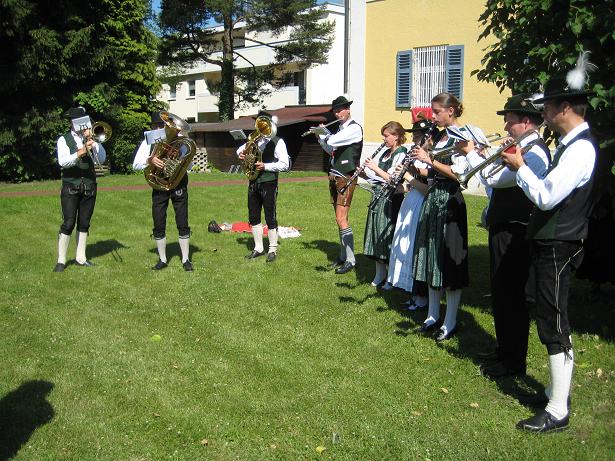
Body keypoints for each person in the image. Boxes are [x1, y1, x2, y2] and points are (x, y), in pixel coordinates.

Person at [501, 54, 597, 433]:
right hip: (549, 243)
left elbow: (546, 198)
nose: (545, 115)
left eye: (549, 108)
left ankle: (558, 409)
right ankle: (557, 392)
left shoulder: (580, 149)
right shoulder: (568, 145)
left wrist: (520, 168)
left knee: (553, 323)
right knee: (543, 312)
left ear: (566, 108)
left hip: (559, 244)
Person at [457, 94, 551, 378]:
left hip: (515, 230)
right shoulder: (519, 147)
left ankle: (513, 361)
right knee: (501, 292)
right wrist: (487, 157)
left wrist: (474, 154)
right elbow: (492, 180)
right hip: (503, 227)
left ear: (525, 121)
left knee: (511, 295)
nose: (506, 126)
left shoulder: (534, 153)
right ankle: (504, 351)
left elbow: (496, 180)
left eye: (509, 121)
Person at [410, 93, 471, 341]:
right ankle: (432, 315)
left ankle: (451, 320)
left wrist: (430, 160)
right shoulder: (438, 135)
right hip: (433, 198)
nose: (433, 116)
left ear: (451, 111)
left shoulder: (463, 136)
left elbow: (460, 175)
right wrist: (420, 162)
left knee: (450, 261)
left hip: (450, 201)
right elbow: (430, 171)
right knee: (431, 257)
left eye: (437, 112)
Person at [132, 112, 194, 271]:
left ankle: (186, 259)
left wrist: (179, 156)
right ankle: (162, 259)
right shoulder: (148, 142)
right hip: (159, 185)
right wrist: (150, 160)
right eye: (157, 126)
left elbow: (190, 166)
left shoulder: (181, 142)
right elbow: (136, 165)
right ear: (152, 128)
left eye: (163, 126)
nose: (161, 128)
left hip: (178, 184)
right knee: (158, 221)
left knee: (182, 220)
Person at [384, 118, 432, 308]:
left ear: (429, 138)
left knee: (414, 245)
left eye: (419, 137)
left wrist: (408, 176)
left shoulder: (432, 159)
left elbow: (426, 188)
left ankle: (421, 297)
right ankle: (412, 291)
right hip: (411, 201)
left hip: (421, 202)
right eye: (414, 136)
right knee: (404, 244)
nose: (415, 140)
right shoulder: (417, 156)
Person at [54, 106, 106, 272]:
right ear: (72, 123)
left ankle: (81, 258)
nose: (83, 125)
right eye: (79, 122)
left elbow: (102, 158)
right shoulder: (64, 139)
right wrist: (81, 152)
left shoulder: (91, 138)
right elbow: (63, 162)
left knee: (84, 222)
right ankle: (61, 260)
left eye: (84, 122)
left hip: (89, 186)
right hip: (71, 185)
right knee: (69, 222)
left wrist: (94, 143)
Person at [316, 95, 363, 274]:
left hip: (347, 175)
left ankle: (351, 259)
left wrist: (324, 134)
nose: (337, 113)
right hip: (336, 175)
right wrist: (322, 138)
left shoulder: (354, 128)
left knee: (341, 218)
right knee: (339, 218)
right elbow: (331, 149)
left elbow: (333, 141)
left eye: (340, 110)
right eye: (335, 111)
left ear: (348, 109)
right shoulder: (340, 130)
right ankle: (343, 256)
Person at [237, 111, 290, 262]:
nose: (260, 127)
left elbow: (285, 164)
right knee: (253, 215)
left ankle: (272, 249)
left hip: (269, 182)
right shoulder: (254, 140)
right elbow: (239, 151)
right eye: (259, 123)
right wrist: (242, 154)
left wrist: (265, 166)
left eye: (263, 124)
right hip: (253, 181)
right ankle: (258, 248)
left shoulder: (278, 141)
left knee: (270, 216)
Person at [361, 121, 407, 286]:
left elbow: (393, 179)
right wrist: (365, 174)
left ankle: (390, 277)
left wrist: (374, 168)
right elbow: (378, 178)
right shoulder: (386, 153)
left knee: (387, 236)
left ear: (396, 136)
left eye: (387, 135)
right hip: (378, 196)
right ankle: (379, 274)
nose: (384, 138)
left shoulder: (402, 153)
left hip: (391, 199)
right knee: (375, 234)